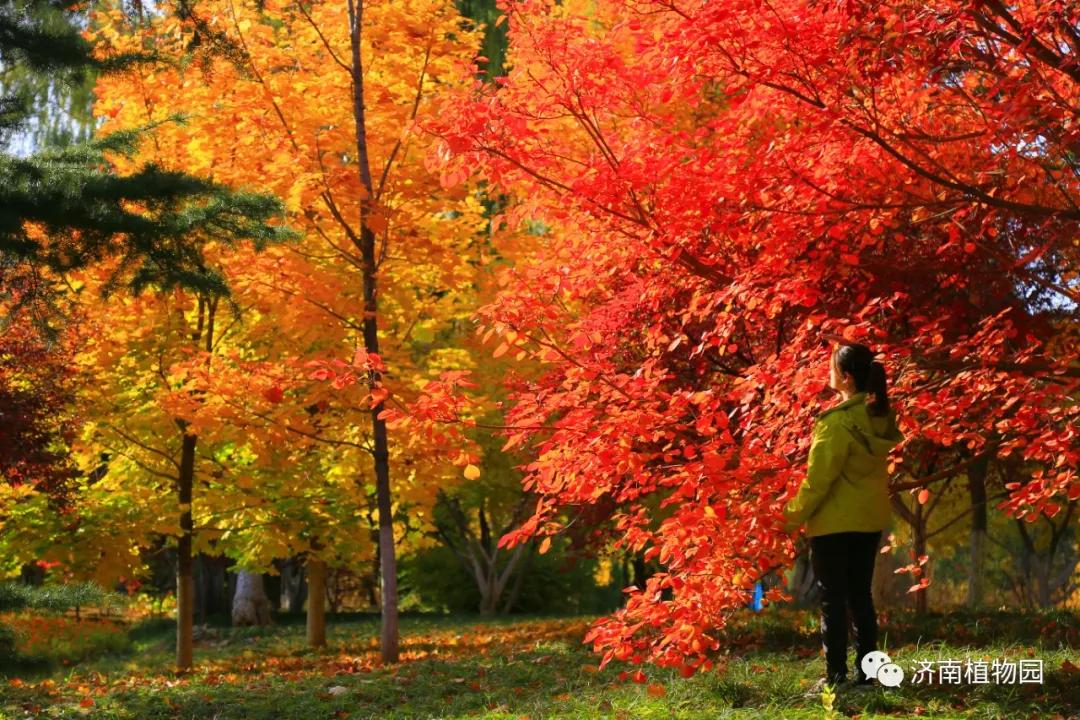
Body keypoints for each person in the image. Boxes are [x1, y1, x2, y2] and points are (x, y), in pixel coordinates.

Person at [781, 342, 905, 694]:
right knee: (860, 597)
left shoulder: (836, 424)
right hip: (868, 521)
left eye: (832, 367)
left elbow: (818, 482)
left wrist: (789, 517)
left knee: (833, 601)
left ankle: (835, 679)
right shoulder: (879, 417)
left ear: (846, 378)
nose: (828, 372)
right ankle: (868, 676)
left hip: (834, 524)